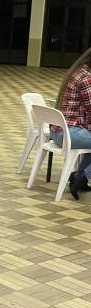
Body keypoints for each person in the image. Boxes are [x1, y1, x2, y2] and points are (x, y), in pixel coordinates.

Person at [53, 47, 91, 199]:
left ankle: (79, 177)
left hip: (61, 131)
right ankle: (83, 175)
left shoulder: (78, 72)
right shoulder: (86, 78)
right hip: (69, 133)